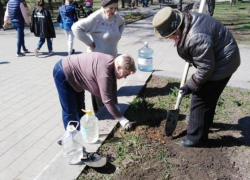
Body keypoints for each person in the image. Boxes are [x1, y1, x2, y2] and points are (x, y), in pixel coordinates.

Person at [152, 7, 241, 147]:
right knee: (208, 98)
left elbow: (206, 67)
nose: (167, 39)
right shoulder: (186, 22)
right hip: (221, 58)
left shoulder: (195, 37)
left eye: (167, 35)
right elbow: (202, 56)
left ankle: (196, 138)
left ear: (175, 30)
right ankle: (204, 124)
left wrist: (191, 85)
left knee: (199, 99)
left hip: (223, 64)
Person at [53, 52, 136, 132]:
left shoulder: (112, 63)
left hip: (75, 76)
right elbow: (106, 99)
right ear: (118, 67)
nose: (124, 77)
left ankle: (82, 132)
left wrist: (115, 104)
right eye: (125, 74)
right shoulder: (104, 72)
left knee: (81, 107)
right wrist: (121, 119)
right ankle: (70, 138)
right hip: (63, 73)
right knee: (70, 110)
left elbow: (113, 85)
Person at [71, 0, 125, 114]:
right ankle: (101, 113)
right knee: (100, 90)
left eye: (116, 8)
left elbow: (123, 23)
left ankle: (114, 108)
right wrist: (89, 43)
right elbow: (76, 28)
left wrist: (118, 35)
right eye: (111, 8)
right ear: (104, 6)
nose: (114, 11)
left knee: (112, 85)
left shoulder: (116, 17)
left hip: (112, 59)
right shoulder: (96, 17)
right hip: (97, 62)